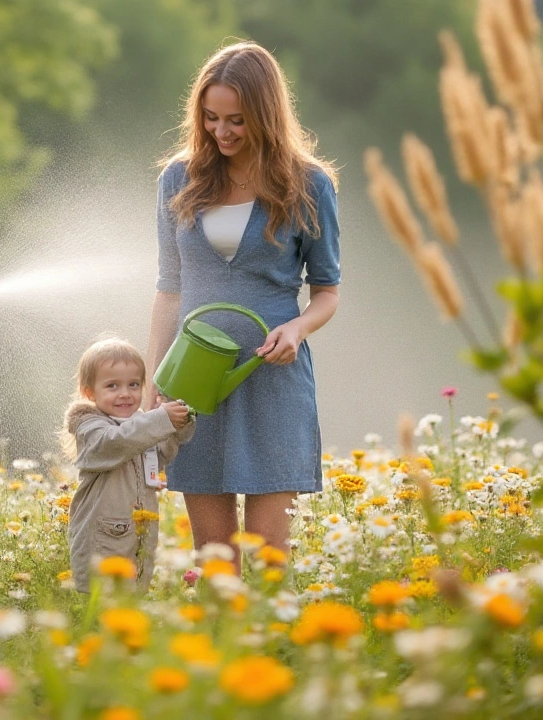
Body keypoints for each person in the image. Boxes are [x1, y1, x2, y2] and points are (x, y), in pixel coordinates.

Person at [145, 41, 341, 569]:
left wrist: (297, 330)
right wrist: (152, 386)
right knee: (215, 564)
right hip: (193, 382)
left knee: (268, 564)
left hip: (271, 379)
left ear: (266, 115)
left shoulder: (309, 185)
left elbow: (327, 293)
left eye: (237, 120)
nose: (222, 132)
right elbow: (170, 288)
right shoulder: (178, 179)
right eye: (211, 118)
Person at [64, 338, 195, 593]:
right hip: (103, 538)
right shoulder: (89, 426)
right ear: (89, 392)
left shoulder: (141, 423)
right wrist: (159, 420)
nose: (125, 393)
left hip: (139, 532)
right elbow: (116, 443)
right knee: (103, 598)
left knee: (131, 596)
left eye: (133, 385)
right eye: (112, 386)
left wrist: (179, 424)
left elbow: (161, 454)